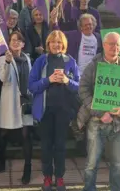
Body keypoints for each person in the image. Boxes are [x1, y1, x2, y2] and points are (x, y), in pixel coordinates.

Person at [77, 32, 120, 191]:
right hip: (96, 122)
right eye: (111, 44)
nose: (115, 47)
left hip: (119, 124)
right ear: (104, 45)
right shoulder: (94, 66)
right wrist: (99, 112)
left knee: (117, 164)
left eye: (118, 45)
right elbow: (83, 89)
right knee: (91, 164)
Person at [28, 30, 80, 191]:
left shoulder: (70, 61)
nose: (56, 45)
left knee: (60, 146)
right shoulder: (41, 61)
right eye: (53, 42)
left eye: (59, 42)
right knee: (46, 146)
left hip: (63, 111)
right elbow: (31, 86)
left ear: (63, 45)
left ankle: (59, 178)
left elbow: (78, 86)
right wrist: (48, 80)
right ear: (48, 44)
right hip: (45, 111)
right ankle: (47, 178)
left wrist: (66, 80)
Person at [0, 31, 33, 184]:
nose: (16, 42)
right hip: (10, 101)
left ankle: (28, 168)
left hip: (25, 101)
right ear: (9, 43)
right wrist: (7, 62)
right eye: (13, 40)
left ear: (23, 44)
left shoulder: (27, 59)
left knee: (26, 134)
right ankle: (1, 158)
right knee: (4, 132)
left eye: (19, 40)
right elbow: (3, 79)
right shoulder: (3, 58)